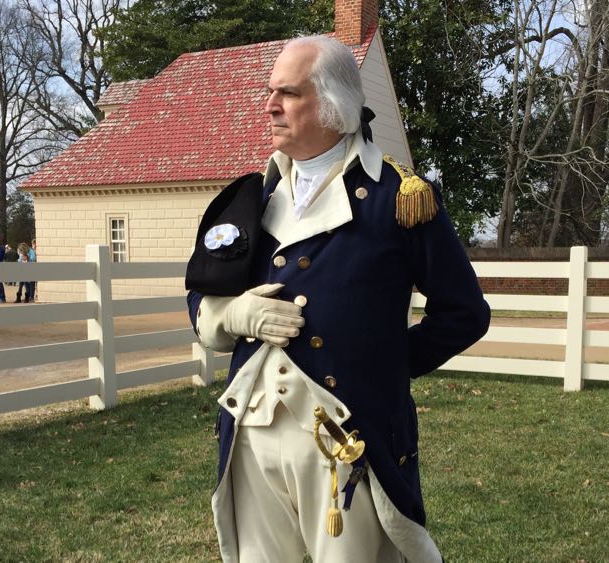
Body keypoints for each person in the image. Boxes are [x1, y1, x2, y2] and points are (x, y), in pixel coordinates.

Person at [186, 36, 490, 563]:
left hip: (345, 440)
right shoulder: (251, 199)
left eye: (288, 93)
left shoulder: (399, 197)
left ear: (331, 104)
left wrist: (386, 365)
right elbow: (200, 292)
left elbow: (464, 313)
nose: (269, 105)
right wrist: (232, 313)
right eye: (270, 91)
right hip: (251, 436)